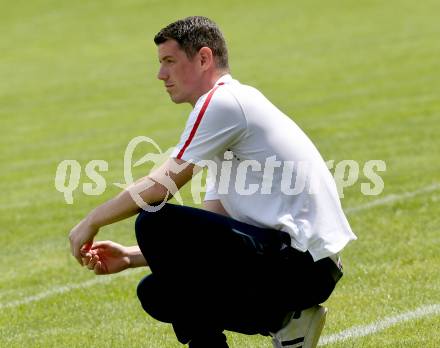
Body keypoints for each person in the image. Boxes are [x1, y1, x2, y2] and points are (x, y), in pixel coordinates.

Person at [69, 16, 357, 348]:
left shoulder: (222, 103)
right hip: (304, 268)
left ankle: (283, 320)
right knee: (157, 292)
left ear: (204, 58)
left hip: (303, 267)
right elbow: (214, 227)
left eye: (169, 62)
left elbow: (159, 187)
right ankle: (285, 321)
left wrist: (92, 221)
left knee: (155, 222)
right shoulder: (229, 113)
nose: (161, 74)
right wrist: (131, 257)